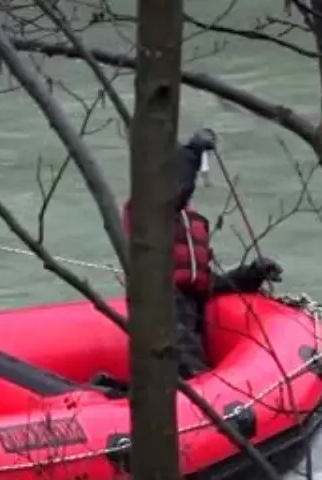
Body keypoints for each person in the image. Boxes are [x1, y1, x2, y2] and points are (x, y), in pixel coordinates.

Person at [92, 129, 282, 394]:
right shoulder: (145, 210)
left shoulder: (192, 221)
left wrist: (252, 274)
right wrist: (192, 154)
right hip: (160, 302)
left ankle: (116, 390)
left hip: (189, 305)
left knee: (184, 364)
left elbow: (206, 282)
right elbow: (173, 192)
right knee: (188, 368)